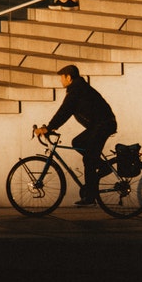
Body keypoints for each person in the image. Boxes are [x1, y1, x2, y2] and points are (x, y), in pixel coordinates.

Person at [35, 64, 117, 206]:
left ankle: (90, 197)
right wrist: (51, 127)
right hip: (99, 124)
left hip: (103, 125)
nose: (61, 81)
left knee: (89, 160)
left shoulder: (76, 90)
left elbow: (65, 111)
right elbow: (65, 111)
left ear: (69, 77)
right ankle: (103, 166)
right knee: (77, 143)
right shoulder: (78, 88)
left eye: (62, 77)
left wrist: (49, 127)